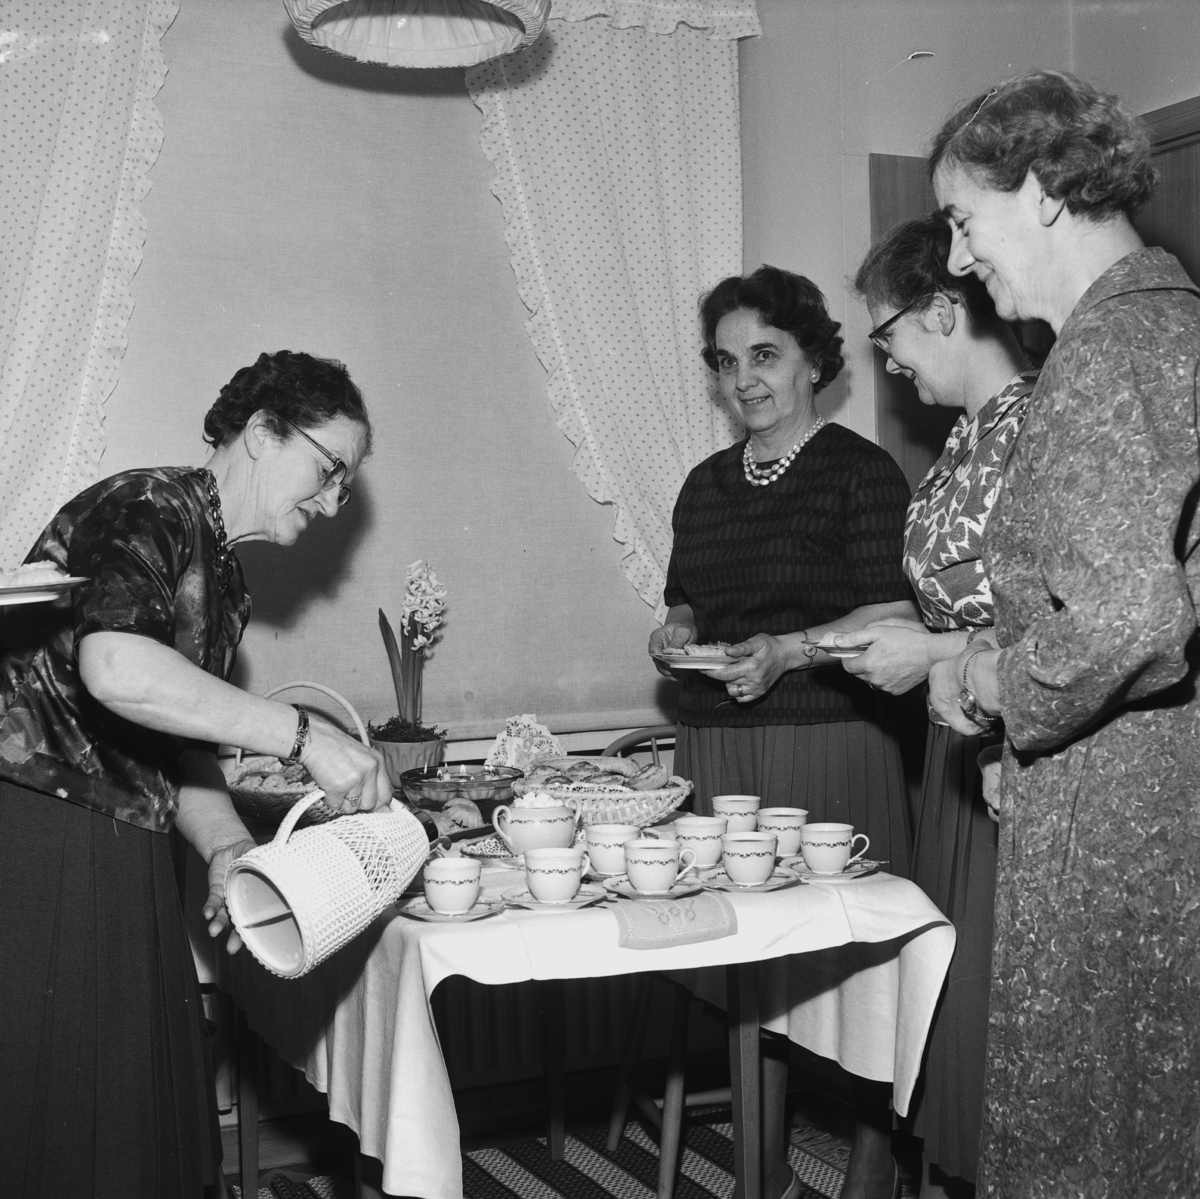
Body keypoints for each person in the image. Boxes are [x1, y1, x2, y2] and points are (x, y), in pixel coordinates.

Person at [0, 349, 392, 1199]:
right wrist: (305, 737)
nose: (333, 502)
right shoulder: (151, 505)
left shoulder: (224, 577)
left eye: (347, 486)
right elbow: (116, 668)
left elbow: (174, 746)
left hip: (120, 841)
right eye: (329, 469)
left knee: (133, 1112)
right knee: (65, 1112)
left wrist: (223, 845)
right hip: (42, 833)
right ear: (262, 431)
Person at [924, 70, 1200, 1198]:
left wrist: (996, 681)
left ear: (1041, 188)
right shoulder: (1176, 326)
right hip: (1158, 803)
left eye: (963, 219)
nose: (957, 259)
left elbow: (1130, 613)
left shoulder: (1107, 350)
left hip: (1114, 824)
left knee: (1088, 1134)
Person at [649, 265, 916, 1199]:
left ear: (813, 362)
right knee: (744, 976)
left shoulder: (860, 473)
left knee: (853, 968)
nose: (744, 380)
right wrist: (675, 635)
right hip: (719, 748)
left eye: (764, 355)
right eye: (727, 363)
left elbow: (893, 616)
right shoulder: (703, 486)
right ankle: (761, 1176)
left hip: (827, 738)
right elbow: (687, 600)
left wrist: (788, 652)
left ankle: (873, 1174)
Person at [840, 214, 1036, 1197]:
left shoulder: (1039, 423)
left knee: (1007, 1016)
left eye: (890, 336)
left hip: (1020, 751)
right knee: (956, 1006)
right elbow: (949, 603)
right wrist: (833, 636)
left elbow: (1058, 626)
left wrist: (930, 651)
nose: (890, 363)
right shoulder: (965, 432)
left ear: (945, 310)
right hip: (952, 750)